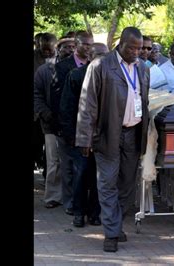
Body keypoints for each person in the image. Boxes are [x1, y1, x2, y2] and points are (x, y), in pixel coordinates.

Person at [76, 27, 150, 252]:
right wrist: (84, 138)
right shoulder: (100, 66)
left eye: (139, 49)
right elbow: (87, 104)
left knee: (128, 185)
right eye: (132, 48)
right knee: (107, 183)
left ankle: (115, 224)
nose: (136, 52)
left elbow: (144, 101)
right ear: (121, 44)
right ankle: (110, 232)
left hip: (133, 133)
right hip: (107, 133)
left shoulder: (143, 68)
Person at [59, 43, 109, 227]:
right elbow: (67, 109)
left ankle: (94, 213)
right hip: (81, 137)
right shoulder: (76, 75)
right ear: (90, 56)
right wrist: (73, 137)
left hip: (102, 138)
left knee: (99, 178)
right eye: (99, 55)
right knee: (81, 176)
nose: (103, 59)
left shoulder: (111, 76)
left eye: (106, 55)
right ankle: (78, 213)